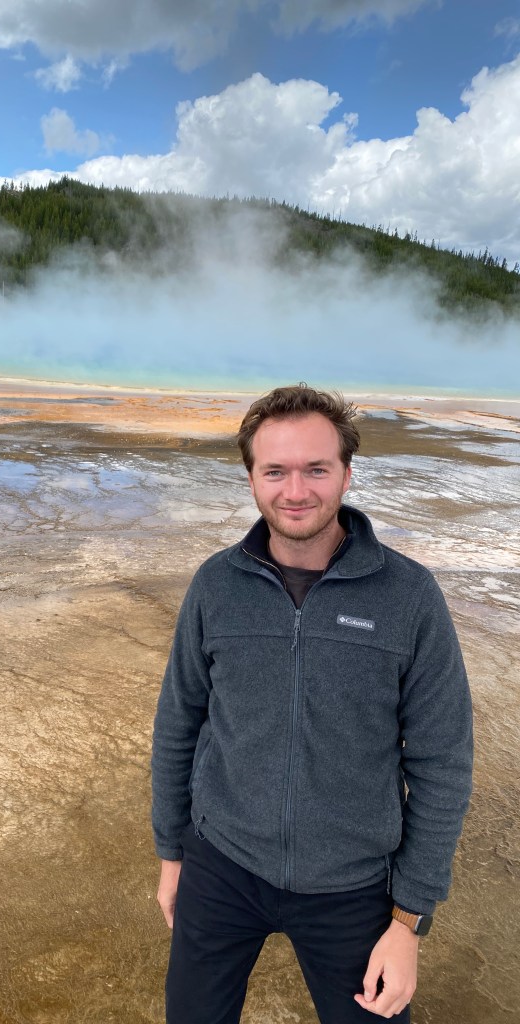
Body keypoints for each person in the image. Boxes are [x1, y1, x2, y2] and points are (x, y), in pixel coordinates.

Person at [151, 384, 473, 1023]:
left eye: (315, 469)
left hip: (354, 887)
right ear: (251, 479)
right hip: (223, 862)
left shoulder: (408, 596)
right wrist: (172, 853)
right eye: (275, 470)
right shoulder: (217, 584)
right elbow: (179, 720)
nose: (295, 490)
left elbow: (442, 762)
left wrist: (408, 920)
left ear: (346, 474)